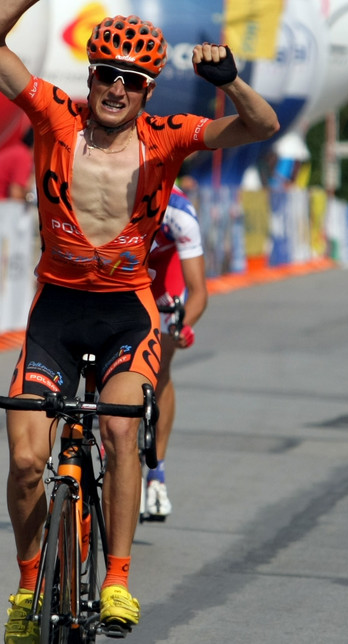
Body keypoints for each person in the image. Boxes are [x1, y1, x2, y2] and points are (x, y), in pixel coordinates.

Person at [0, 0, 280, 640]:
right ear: (91, 76)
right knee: (25, 462)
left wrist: (228, 78)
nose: (116, 87)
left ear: (149, 90)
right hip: (57, 309)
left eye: (132, 79)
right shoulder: (54, 114)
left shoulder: (168, 137)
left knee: (121, 430)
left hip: (125, 317)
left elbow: (261, 124)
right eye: (106, 73)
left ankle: (117, 580)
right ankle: (27, 590)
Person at [142, 185, 207, 521]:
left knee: (159, 362)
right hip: (121, 278)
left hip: (164, 282)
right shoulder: (110, 192)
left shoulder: (179, 212)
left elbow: (198, 292)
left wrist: (183, 327)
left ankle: (156, 474)